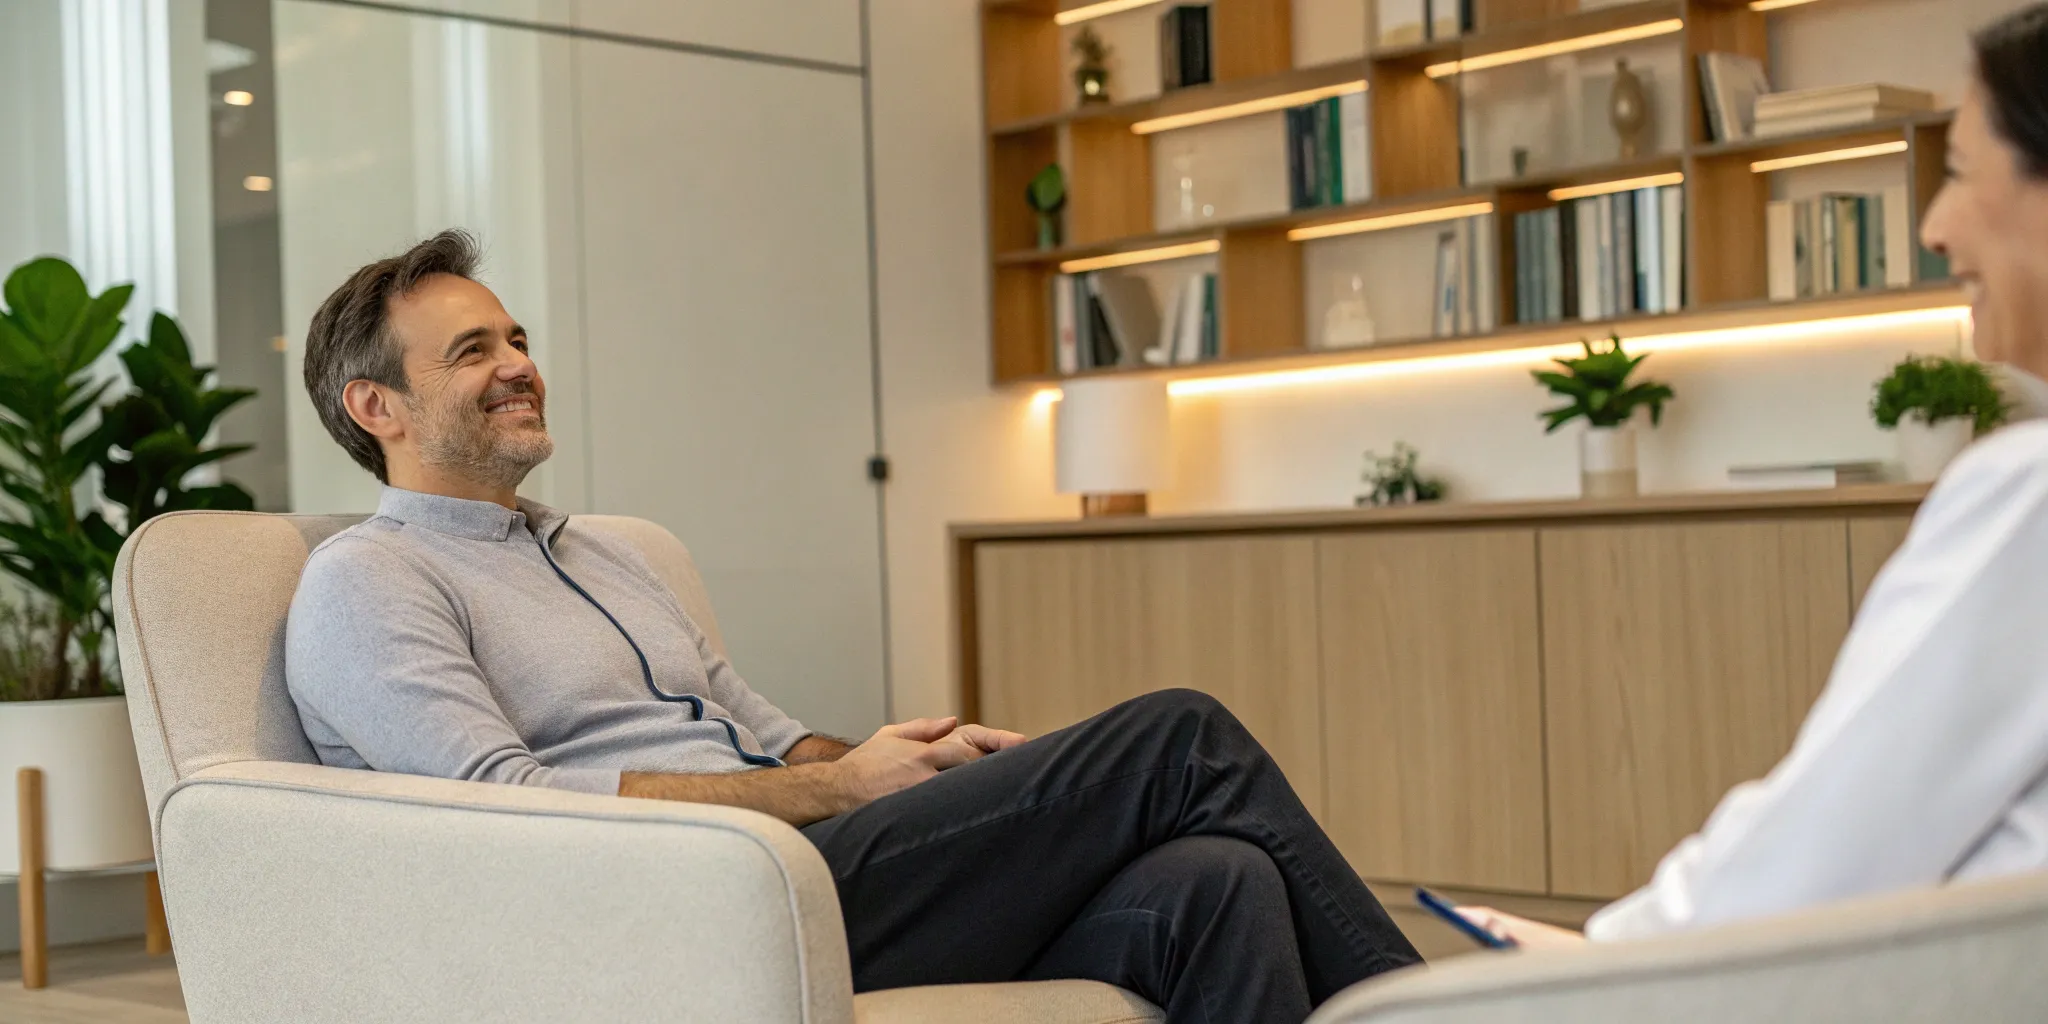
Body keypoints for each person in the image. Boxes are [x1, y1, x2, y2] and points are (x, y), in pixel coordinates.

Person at [283, 229, 1421, 1023]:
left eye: (514, 337)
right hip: (685, 903)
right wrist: (834, 792)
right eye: (472, 351)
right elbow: (504, 809)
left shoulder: (608, 551)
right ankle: (1446, 1010)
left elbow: (770, 737)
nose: (520, 366)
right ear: (374, 407)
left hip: (806, 858)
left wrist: (904, 764)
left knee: (1217, 879)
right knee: (1179, 734)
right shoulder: (370, 578)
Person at [1463, 2, 2048, 949]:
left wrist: (1603, 963)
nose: (1933, 227)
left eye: (1957, 172)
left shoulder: (2030, 494)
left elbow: (1825, 844)